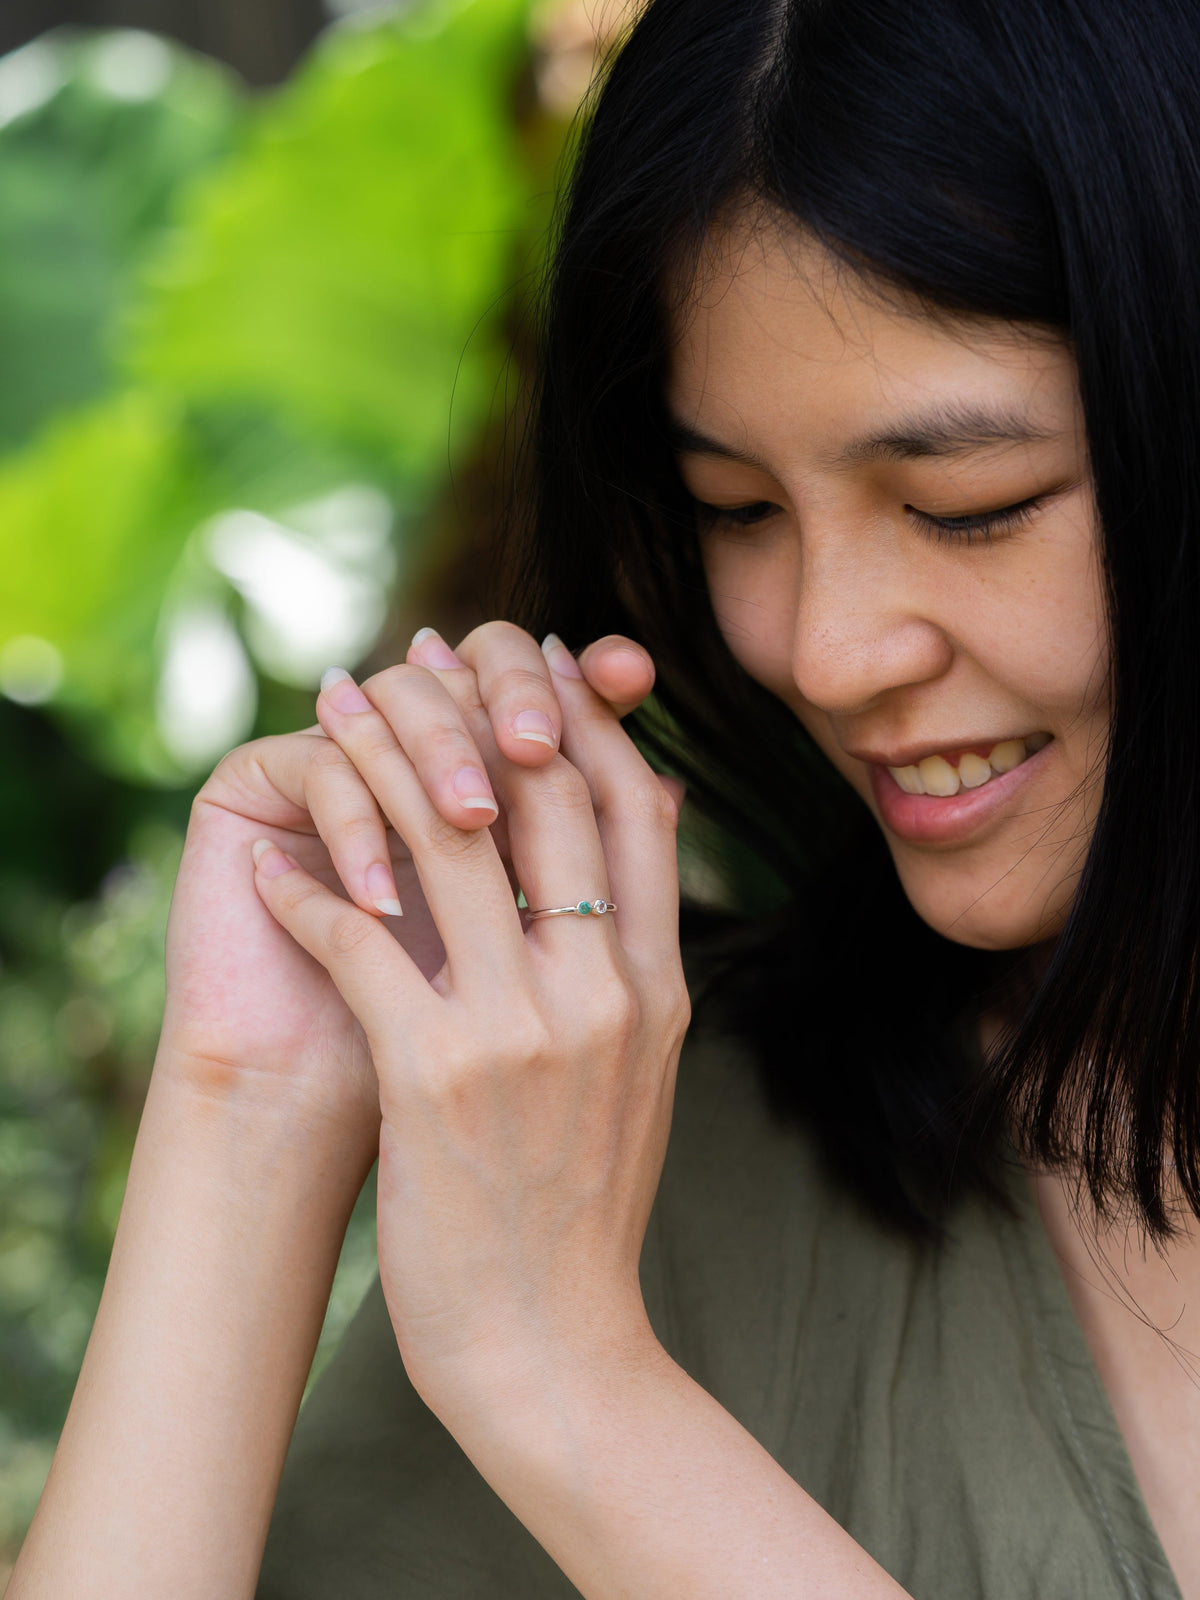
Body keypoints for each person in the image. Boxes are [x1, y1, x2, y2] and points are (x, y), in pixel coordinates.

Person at [10, 0, 1200, 1594]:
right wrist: (247, 1102)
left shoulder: (563, 1278)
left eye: (969, 504)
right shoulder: (665, 1166)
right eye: (739, 509)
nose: (826, 651)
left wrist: (566, 1378)